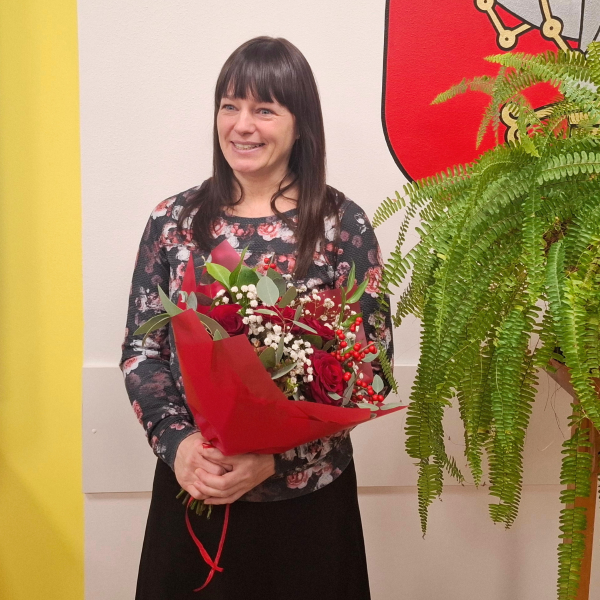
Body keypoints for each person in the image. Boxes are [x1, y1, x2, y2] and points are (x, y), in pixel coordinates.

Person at [120, 36, 393, 600]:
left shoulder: (342, 226)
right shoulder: (174, 222)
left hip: (308, 510)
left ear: (300, 125)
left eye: (264, 109)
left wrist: (276, 457)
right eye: (230, 106)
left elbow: (371, 367)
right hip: (197, 489)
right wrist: (181, 446)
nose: (242, 126)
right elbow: (143, 352)